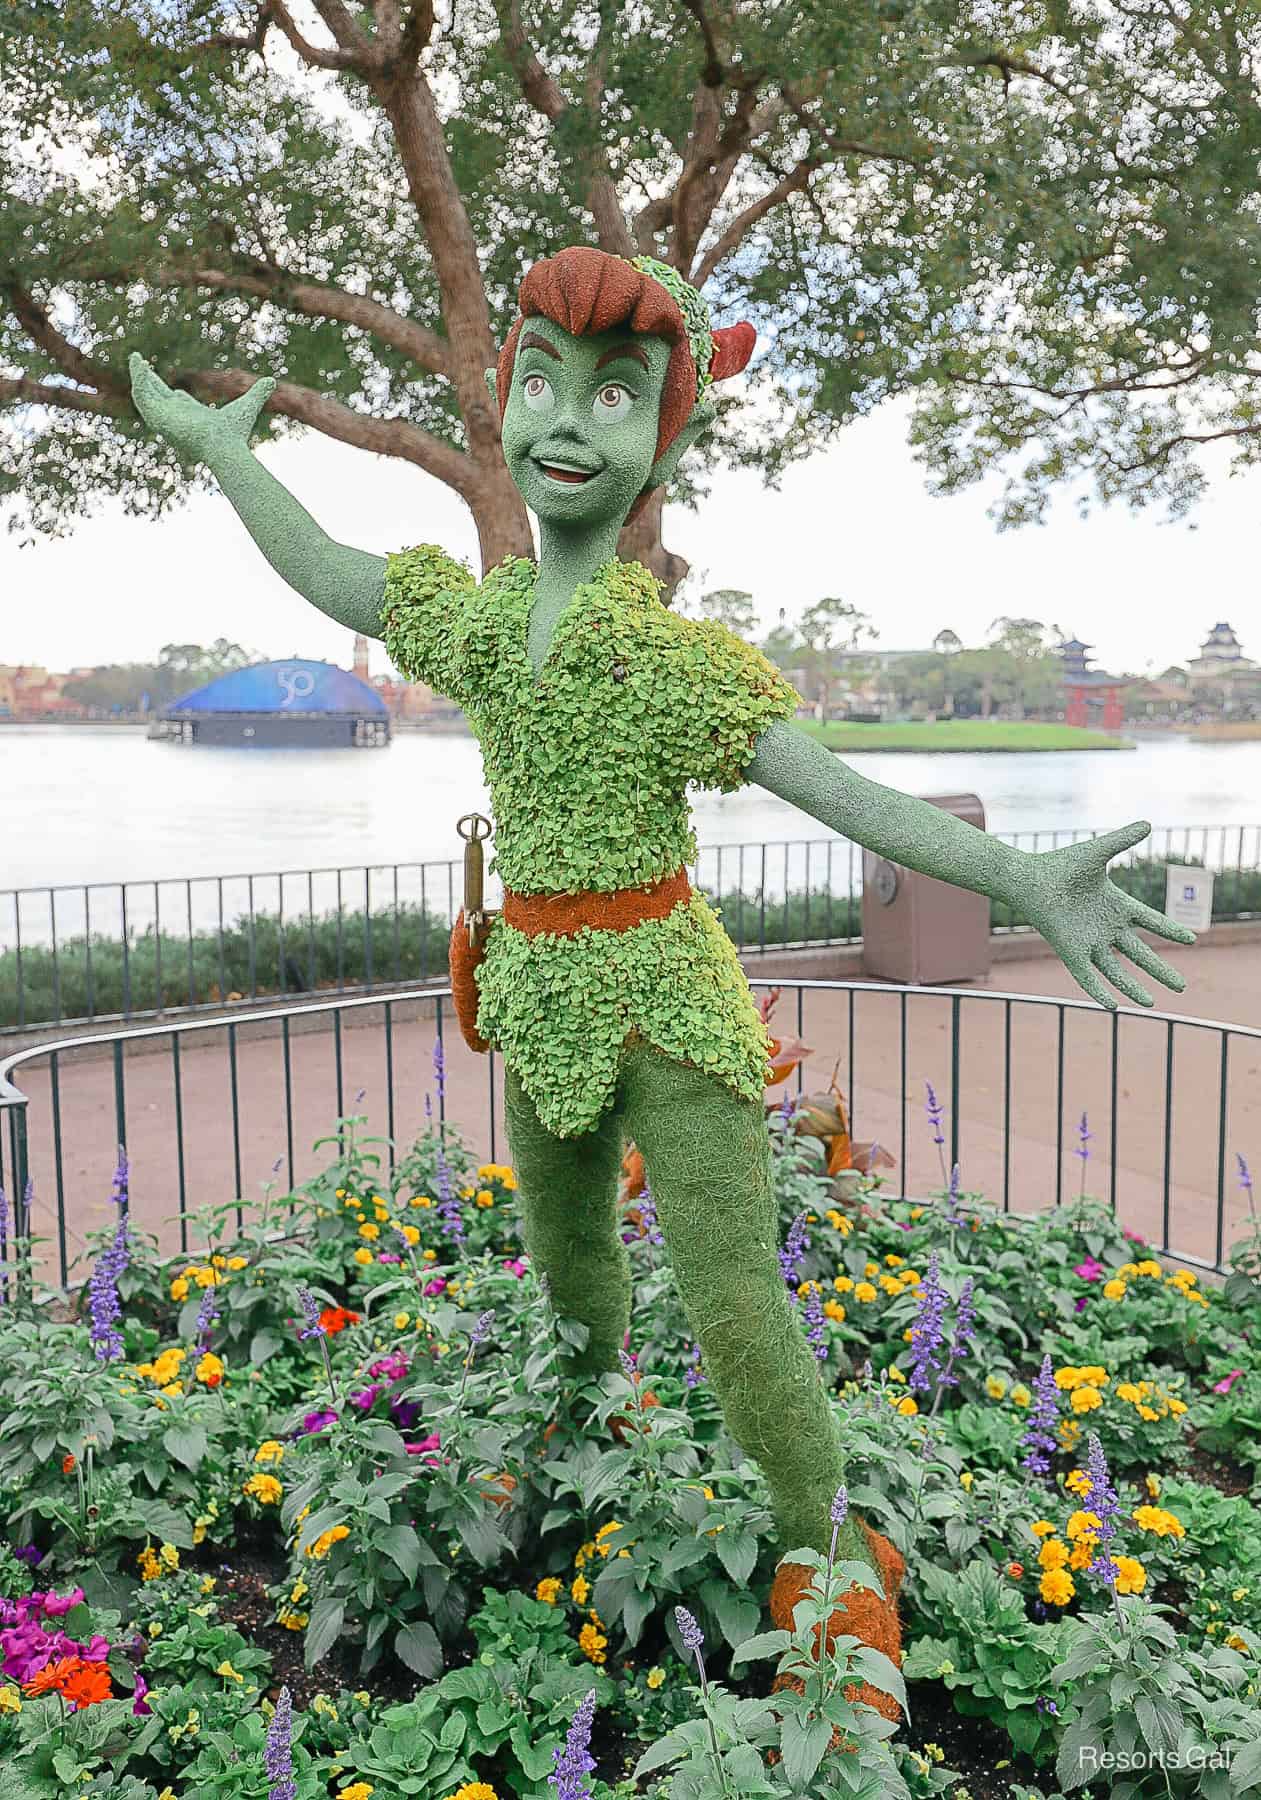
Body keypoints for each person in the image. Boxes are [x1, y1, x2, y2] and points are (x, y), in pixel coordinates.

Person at [129, 246, 1193, 1712]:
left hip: (668, 1001)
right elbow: (333, 572)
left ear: (659, 441)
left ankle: (825, 1550)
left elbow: (827, 785)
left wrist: (1019, 878)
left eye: (613, 397)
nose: (568, 423)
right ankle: (587, 1443)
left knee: (733, 1297)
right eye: (542, 384)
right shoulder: (481, 619)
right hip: (537, 992)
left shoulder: (675, 661)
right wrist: (225, 457)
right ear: (508, 400)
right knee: (569, 1269)